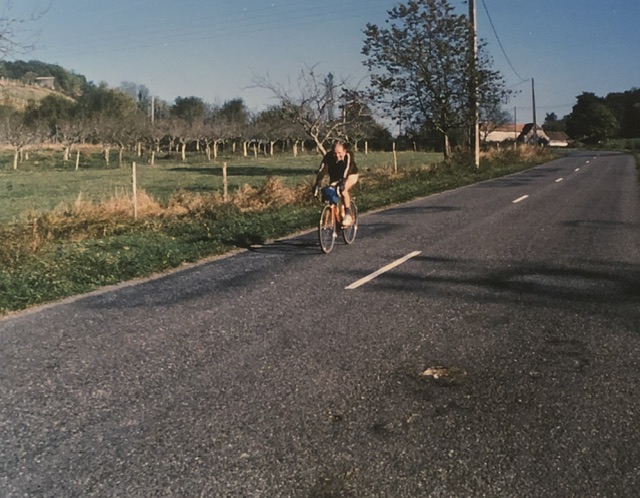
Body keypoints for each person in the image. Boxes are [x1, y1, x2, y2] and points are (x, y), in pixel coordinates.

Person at [313, 141, 359, 226]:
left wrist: (343, 181)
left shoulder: (349, 155)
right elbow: (322, 170)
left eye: (339, 153)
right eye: (335, 153)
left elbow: (348, 168)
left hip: (350, 175)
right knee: (331, 193)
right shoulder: (328, 157)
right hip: (337, 177)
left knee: (343, 189)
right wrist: (317, 183)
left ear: (344, 151)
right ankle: (334, 217)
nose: (337, 156)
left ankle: (348, 214)